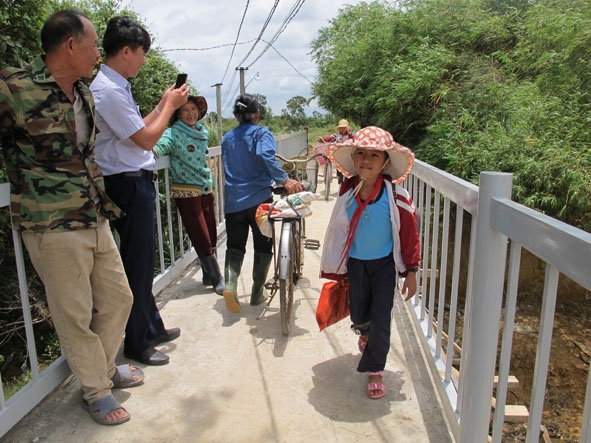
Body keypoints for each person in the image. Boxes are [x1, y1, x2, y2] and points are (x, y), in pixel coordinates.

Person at [0, 10, 142, 425]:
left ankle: (104, 367)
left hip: (93, 212)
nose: (99, 52)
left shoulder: (84, 92)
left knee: (120, 297)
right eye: (95, 44)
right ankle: (96, 389)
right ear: (70, 44)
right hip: (49, 223)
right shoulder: (14, 88)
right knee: (74, 313)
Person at [90, 16, 188, 366]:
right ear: (127, 51)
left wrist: (164, 104)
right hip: (127, 183)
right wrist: (172, 109)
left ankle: (151, 326)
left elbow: (137, 128)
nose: (144, 60)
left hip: (133, 181)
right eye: (143, 53)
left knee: (143, 262)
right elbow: (147, 138)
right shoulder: (108, 91)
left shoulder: (116, 87)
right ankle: (137, 342)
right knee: (136, 266)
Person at [320, 126, 421, 400]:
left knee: (381, 318)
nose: (366, 160)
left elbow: (410, 234)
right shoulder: (347, 190)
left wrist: (410, 271)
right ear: (353, 157)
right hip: (356, 263)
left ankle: (376, 369)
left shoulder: (396, 196)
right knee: (359, 315)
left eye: (374, 155)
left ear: (385, 162)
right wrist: (336, 265)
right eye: (360, 153)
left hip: (384, 266)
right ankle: (364, 333)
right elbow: (338, 229)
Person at [221, 94, 303, 314]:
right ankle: (257, 292)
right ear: (256, 114)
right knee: (263, 244)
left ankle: (230, 286)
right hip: (258, 201)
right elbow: (264, 156)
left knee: (235, 246)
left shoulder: (227, 138)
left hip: (232, 202)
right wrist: (284, 179)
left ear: (237, 115)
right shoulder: (261, 132)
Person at [153, 96, 224, 295]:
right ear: (177, 113)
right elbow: (159, 147)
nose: (191, 113)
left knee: (210, 231)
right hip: (186, 191)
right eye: (185, 110)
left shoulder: (200, 132)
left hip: (205, 187)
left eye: (193, 109)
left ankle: (207, 274)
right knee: (199, 233)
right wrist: (148, 153)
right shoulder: (173, 132)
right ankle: (217, 276)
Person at [314, 118, 355, 184]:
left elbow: (355, 141)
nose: (342, 129)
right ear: (339, 129)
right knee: (339, 170)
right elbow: (328, 139)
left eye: (344, 127)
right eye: (341, 128)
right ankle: (340, 183)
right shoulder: (336, 136)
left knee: (348, 169)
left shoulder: (350, 136)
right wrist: (320, 139)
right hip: (338, 155)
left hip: (347, 155)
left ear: (347, 128)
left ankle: (347, 183)